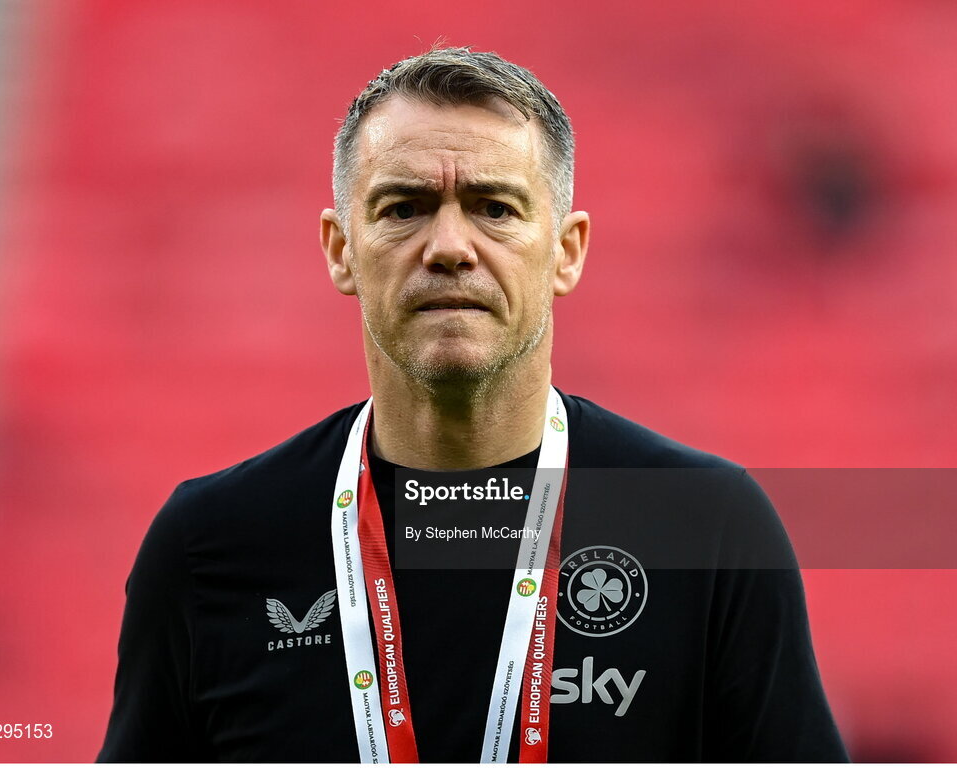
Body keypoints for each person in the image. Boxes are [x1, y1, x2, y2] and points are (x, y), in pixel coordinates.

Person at [98, 47, 848, 763]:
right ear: (340, 249)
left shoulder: (702, 526)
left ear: (566, 251)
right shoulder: (211, 543)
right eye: (404, 208)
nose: (449, 246)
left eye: (494, 206)